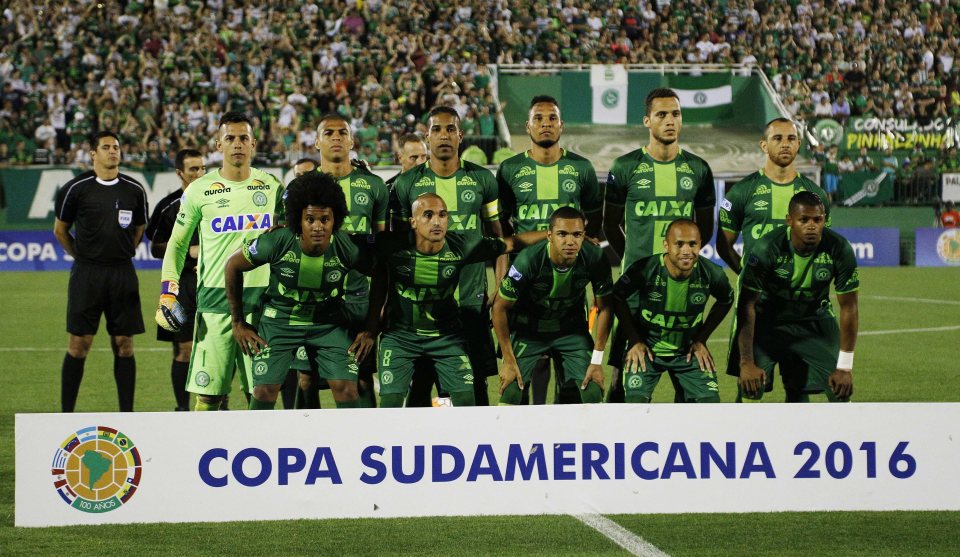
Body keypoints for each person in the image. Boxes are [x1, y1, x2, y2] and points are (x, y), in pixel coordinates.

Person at [156, 111, 284, 411]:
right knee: (208, 397)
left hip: (262, 306)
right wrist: (168, 289)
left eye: (243, 138)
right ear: (218, 145)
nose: (237, 144)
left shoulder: (272, 186)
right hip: (214, 305)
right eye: (230, 138)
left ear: (253, 144)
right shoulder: (200, 189)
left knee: (262, 396)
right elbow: (176, 244)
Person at [373, 193, 546, 407]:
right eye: (428, 215)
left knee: (465, 401)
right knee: (390, 404)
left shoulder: (461, 245)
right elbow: (351, 248)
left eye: (442, 215)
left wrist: (552, 234)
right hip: (400, 338)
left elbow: (511, 243)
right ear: (413, 222)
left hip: (446, 337)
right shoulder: (391, 245)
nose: (437, 221)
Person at [224, 172, 377, 409]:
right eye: (310, 219)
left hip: (328, 322)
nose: (318, 227)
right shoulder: (277, 241)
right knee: (264, 391)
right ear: (298, 220)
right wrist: (238, 322)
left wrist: (369, 329)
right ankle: (256, 443)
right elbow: (232, 265)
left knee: (346, 389)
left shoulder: (347, 247)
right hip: (280, 321)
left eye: (324, 219)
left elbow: (382, 275)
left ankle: (351, 444)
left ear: (335, 219)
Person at [603, 88, 716, 403]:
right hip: (636, 289)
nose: (670, 121)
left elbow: (705, 227)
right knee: (621, 378)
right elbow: (610, 224)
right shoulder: (625, 167)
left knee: (686, 372)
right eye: (662, 115)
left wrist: (683, 261)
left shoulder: (699, 169)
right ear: (647, 121)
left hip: (681, 285)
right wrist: (634, 259)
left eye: (676, 114)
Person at [496, 95, 603, 405]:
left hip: (568, 278)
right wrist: (501, 278)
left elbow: (592, 222)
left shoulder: (581, 168)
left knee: (570, 366)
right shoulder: (510, 169)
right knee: (529, 364)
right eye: (539, 119)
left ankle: (560, 427)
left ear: (561, 125)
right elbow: (503, 233)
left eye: (552, 118)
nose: (546, 124)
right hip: (525, 280)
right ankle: (533, 422)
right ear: (527, 126)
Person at [393, 106, 502, 405]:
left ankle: (474, 446)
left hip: (471, 302)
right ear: (427, 136)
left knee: (475, 387)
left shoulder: (482, 179)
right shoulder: (407, 184)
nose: (444, 135)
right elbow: (399, 251)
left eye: (450, 129)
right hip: (421, 309)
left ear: (460, 135)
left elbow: (499, 239)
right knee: (420, 388)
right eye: (437, 129)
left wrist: (500, 288)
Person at [718, 118, 832, 402]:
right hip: (758, 309)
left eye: (791, 139)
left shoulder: (815, 195)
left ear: (799, 144)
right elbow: (724, 245)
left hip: (800, 310)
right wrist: (745, 273)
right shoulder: (743, 191)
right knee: (750, 389)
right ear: (764, 144)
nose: (785, 144)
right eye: (778, 138)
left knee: (799, 391)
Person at [290, 114, 389, 409]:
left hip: (359, 301)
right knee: (306, 378)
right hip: (311, 303)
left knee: (361, 376)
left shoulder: (373, 186)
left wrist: (378, 311)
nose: (336, 137)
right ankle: (307, 441)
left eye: (342, 132)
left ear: (351, 140)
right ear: (317, 141)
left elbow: (382, 249)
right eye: (328, 132)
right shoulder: (300, 189)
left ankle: (369, 441)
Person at [53, 131, 148, 412]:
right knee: (79, 344)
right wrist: (82, 256)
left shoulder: (134, 189)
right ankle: (65, 414)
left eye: (116, 147)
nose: (113, 151)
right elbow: (60, 230)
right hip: (87, 274)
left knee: (124, 344)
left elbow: (139, 229)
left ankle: (127, 415)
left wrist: (119, 252)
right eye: (106, 147)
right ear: (93, 153)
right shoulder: (76, 188)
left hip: (122, 273)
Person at [737, 191, 860, 403]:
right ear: (790, 221)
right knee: (750, 388)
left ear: (824, 221)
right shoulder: (767, 247)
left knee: (840, 389)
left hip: (815, 321)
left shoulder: (839, 249)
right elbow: (747, 304)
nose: (811, 226)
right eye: (804, 220)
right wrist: (746, 362)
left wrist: (845, 366)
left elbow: (849, 308)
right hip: (770, 322)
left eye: (817, 220)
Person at [494, 206, 613, 405]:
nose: (570, 241)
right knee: (511, 391)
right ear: (549, 235)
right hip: (529, 330)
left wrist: (597, 360)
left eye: (577, 235)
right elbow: (499, 307)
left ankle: (584, 435)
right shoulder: (528, 260)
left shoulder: (595, 257)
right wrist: (508, 360)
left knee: (591, 389)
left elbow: (606, 308)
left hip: (570, 330)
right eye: (562, 234)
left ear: (584, 235)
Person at [612, 219, 733, 403]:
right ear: (666, 245)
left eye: (693, 244)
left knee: (711, 407)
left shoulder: (712, 273)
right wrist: (635, 340)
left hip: (688, 353)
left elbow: (726, 300)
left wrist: (701, 339)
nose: (686, 251)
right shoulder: (645, 269)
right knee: (634, 407)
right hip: (648, 352)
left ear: (700, 244)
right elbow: (617, 296)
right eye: (679, 244)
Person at [145, 148, 205, 411]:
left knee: (216, 349)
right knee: (184, 349)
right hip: (181, 287)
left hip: (211, 284)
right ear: (179, 173)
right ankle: (182, 409)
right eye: (193, 169)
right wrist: (188, 252)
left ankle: (219, 406)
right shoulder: (168, 206)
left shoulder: (217, 200)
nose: (199, 174)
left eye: (202, 168)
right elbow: (154, 247)